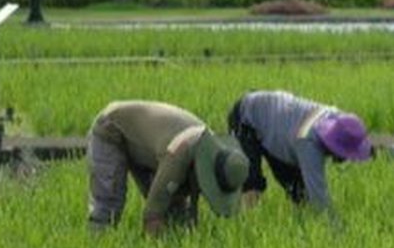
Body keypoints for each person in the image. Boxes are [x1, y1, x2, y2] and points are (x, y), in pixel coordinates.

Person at [87, 100, 250, 236]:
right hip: (112, 127)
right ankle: (96, 245)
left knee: (176, 214)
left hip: (153, 145)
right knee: (109, 204)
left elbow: (186, 197)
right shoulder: (182, 151)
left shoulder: (214, 152)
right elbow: (153, 213)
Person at [227, 90, 372, 225]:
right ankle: (243, 228)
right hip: (247, 117)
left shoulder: (338, 120)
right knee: (252, 187)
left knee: (300, 194)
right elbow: (319, 199)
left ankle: (300, 229)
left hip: (281, 126)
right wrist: (338, 229)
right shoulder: (309, 145)